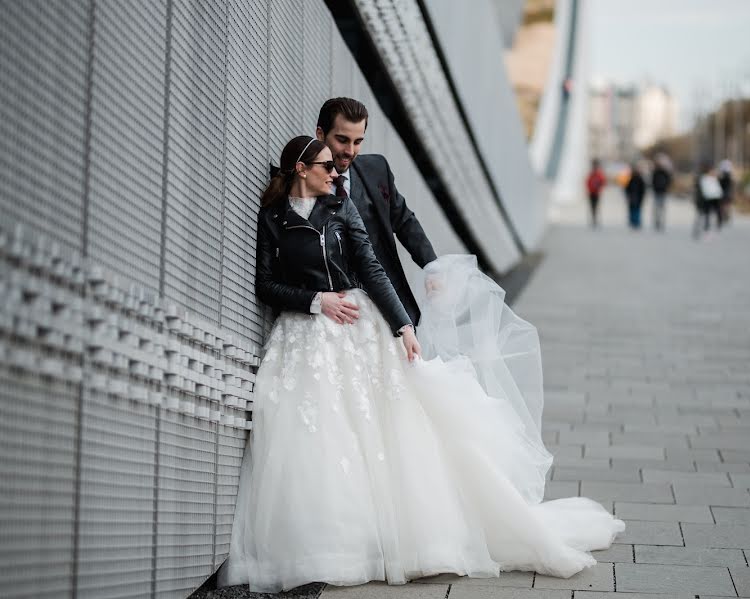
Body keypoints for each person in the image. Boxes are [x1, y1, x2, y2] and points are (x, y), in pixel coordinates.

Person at [219, 136, 625, 592]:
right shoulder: (273, 218)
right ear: (301, 168)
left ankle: (387, 539)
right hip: (303, 337)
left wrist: (402, 327)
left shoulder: (340, 208)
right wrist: (316, 301)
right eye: (327, 166)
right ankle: (328, 545)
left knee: (381, 432)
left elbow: (371, 269)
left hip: (360, 333)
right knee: (315, 437)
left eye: (336, 166)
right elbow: (265, 284)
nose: (336, 173)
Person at [315, 97, 436, 328]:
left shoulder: (377, 169)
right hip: (337, 312)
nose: (349, 151)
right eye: (342, 140)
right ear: (321, 134)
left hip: (389, 300)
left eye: (358, 141)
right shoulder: (302, 181)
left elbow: (404, 220)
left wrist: (432, 267)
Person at [693, 161, 724, 239]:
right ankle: (699, 231)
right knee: (702, 216)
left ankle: (707, 230)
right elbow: (699, 191)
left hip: (713, 199)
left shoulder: (714, 178)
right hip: (704, 200)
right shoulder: (703, 178)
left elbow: (719, 189)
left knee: (710, 215)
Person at [650, 154, 673, 231]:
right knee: (658, 209)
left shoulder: (664, 172)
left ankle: (661, 222)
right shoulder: (656, 172)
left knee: (661, 209)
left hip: (662, 192)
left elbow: (669, 180)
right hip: (657, 192)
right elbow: (652, 181)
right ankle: (657, 222)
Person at [584, 158, 606, 229]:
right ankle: (594, 219)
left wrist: (600, 189)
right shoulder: (592, 174)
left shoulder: (598, 174)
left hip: (596, 192)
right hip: (592, 192)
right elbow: (587, 182)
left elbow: (603, 182)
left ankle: (595, 219)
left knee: (595, 206)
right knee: (592, 206)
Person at [624, 163, 646, 229]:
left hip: (638, 197)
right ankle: (633, 221)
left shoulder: (640, 179)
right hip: (632, 197)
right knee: (632, 210)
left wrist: (642, 197)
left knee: (637, 210)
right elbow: (627, 188)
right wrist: (628, 195)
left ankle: (637, 221)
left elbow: (643, 189)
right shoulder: (631, 179)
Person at [718, 159, 734, 225]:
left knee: (723, 204)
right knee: (726, 204)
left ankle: (724, 216)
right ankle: (726, 215)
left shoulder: (721, 176)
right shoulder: (729, 176)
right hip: (727, 192)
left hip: (723, 192)